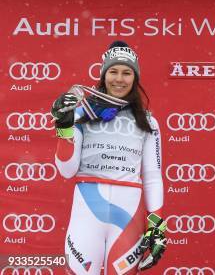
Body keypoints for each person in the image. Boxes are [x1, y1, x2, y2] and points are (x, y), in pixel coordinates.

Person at [51, 41, 166, 274]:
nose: (119, 79)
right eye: (113, 71)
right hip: (86, 215)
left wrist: (157, 226)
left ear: (135, 79)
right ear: (103, 75)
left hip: (128, 217)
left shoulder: (148, 122)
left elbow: (153, 176)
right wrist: (64, 128)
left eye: (126, 73)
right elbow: (66, 169)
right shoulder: (81, 114)